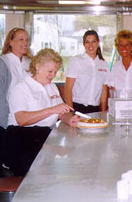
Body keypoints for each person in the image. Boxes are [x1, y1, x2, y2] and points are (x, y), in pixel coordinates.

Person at [5, 48, 80, 176]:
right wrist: (51, 110)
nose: (53, 75)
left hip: (44, 137)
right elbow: (21, 119)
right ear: (38, 67)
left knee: (49, 176)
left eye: (55, 72)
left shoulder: (52, 87)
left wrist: (69, 119)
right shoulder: (21, 88)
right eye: (50, 71)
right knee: (36, 178)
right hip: (22, 139)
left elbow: (61, 112)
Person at [0, 27, 31, 179]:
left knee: (19, 160)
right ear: (10, 42)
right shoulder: (2, 63)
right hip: (4, 122)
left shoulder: (29, 63)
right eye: (20, 39)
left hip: (24, 120)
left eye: (26, 40)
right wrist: (7, 122)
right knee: (1, 159)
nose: (24, 43)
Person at [64, 30, 109, 113]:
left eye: (93, 41)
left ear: (98, 43)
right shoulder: (76, 61)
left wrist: (102, 112)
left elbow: (104, 91)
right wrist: (70, 112)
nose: (90, 45)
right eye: (87, 42)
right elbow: (68, 88)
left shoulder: (104, 64)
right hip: (77, 107)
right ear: (84, 44)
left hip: (95, 109)